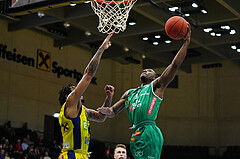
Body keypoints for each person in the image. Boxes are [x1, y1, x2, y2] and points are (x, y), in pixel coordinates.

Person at [97, 26, 191, 159]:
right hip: (135, 133)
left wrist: (186, 42)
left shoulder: (156, 86)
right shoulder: (129, 93)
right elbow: (112, 111)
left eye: (150, 70)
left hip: (149, 131)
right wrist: (107, 105)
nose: (145, 69)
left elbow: (174, 65)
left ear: (154, 77)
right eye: (144, 69)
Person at [58, 33, 114, 159]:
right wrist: (101, 49)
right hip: (70, 155)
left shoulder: (83, 111)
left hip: (81, 155)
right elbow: (88, 74)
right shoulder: (70, 104)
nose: (78, 90)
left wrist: (108, 98)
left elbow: (101, 117)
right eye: (74, 90)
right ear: (68, 95)